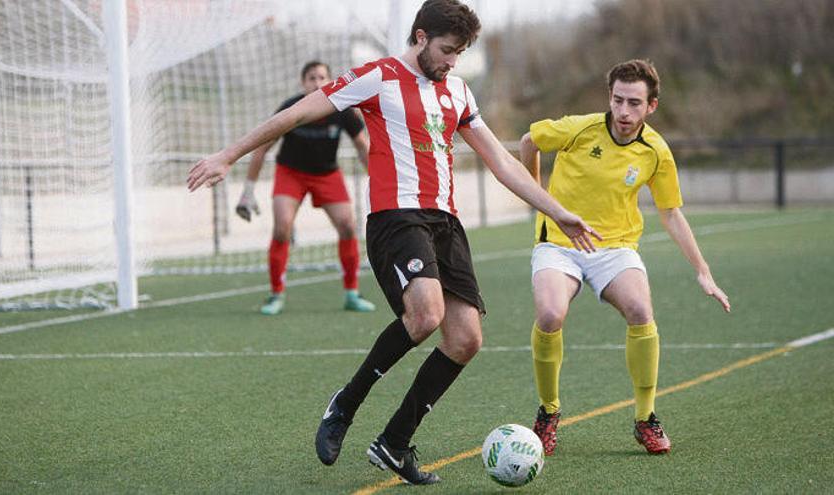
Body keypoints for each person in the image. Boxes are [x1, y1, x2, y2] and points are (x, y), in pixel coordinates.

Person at [188, 0, 599, 484]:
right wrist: (228, 154)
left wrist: (556, 209)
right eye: (447, 50)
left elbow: (502, 162)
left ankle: (395, 443)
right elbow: (297, 114)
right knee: (426, 315)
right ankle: (345, 404)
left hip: (445, 223)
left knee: (465, 339)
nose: (452, 62)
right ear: (421, 36)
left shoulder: (459, 92)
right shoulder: (377, 77)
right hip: (396, 218)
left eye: (460, 54)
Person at [519, 59, 731, 457]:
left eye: (634, 103)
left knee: (640, 310)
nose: (623, 112)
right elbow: (529, 141)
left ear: (651, 106)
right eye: (617, 100)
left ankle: (645, 417)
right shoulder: (579, 128)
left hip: (615, 248)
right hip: (559, 244)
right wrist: (538, 197)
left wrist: (703, 272)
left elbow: (670, 212)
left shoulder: (656, 151)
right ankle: (548, 412)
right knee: (550, 315)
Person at [235, 60, 376, 315]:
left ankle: (352, 294)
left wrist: (378, 181)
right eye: (311, 78)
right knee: (282, 228)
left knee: (347, 225)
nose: (317, 82)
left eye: (322, 77)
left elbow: (362, 147)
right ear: (303, 83)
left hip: (327, 174)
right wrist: (247, 192)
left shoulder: (343, 109)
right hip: (291, 173)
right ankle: (276, 294)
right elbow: (262, 147)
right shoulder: (291, 107)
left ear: (331, 81)